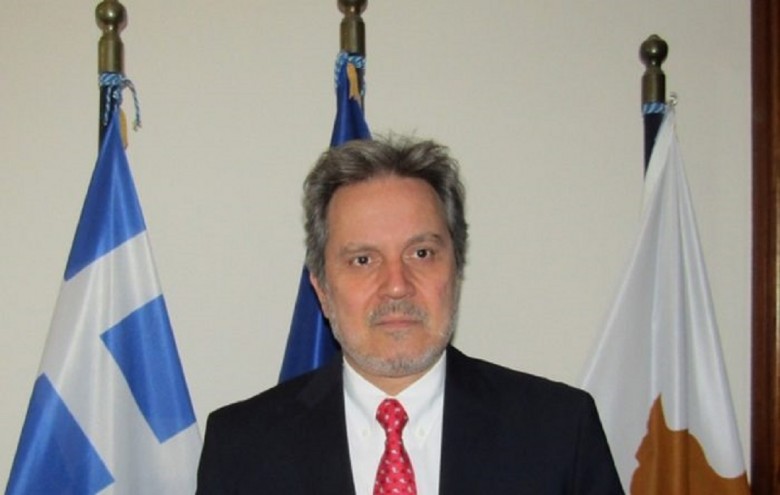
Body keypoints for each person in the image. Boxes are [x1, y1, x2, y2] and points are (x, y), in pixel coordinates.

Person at [196, 135, 624, 494]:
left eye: (421, 253)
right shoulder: (242, 448)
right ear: (322, 290)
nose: (397, 285)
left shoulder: (559, 432)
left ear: (456, 269)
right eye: (363, 260)